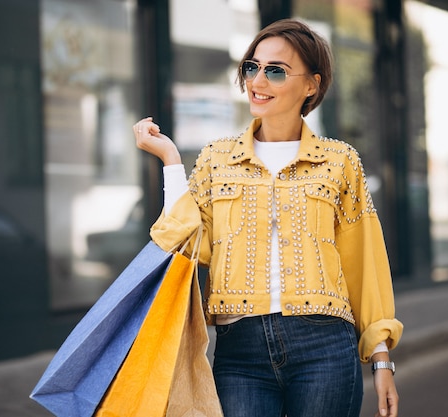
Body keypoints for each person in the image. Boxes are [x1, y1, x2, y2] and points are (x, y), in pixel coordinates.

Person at [133, 18, 403, 417]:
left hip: (325, 346)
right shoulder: (216, 158)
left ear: (311, 84)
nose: (258, 80)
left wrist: (381, 359)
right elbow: (187, 246)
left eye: (275, 70)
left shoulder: (339, 161)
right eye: (252, 67)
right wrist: (171, 162)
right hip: (240, 350)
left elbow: (365, 263)